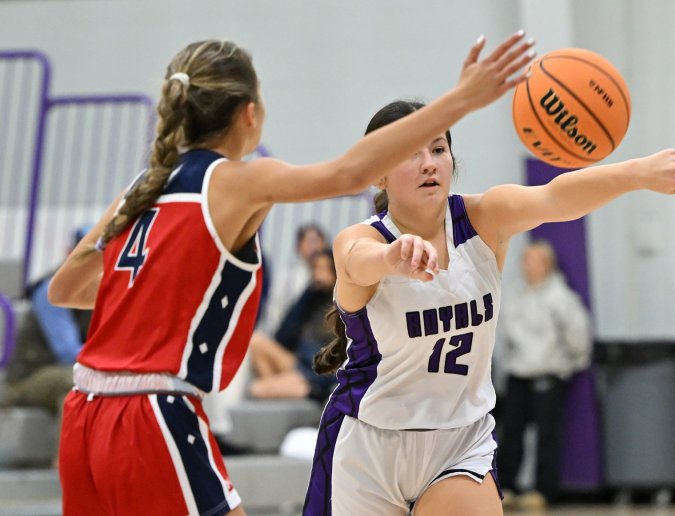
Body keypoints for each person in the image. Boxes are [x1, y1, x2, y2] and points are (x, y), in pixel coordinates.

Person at [47, 34, 536, 516]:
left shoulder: (141, 190)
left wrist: (157, 291)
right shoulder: (239, 179)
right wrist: (460, 101)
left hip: (83, 410)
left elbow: (65, 288)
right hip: (149, 412)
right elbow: (349, 175)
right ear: (249, 113)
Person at [304, 100, 675, 515]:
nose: (429, 163)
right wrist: (392, 259)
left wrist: (638, 173)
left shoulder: (483, 218)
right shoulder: (364, 239)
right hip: (369, 443)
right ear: (379, 173)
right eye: (411, 153)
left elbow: (555, 198)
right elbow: (356, 261)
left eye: (438, 149)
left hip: (459, 441)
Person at [496, 239, 591, 511]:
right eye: (524, 259)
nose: (525, 264)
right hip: (517, 374)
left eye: (532, 259)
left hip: (548, 375)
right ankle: (508, 486)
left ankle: (544, 491)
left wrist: (566, 365)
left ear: (545, 264)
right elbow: (505, 335)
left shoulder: (560, 297)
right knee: (511, 433)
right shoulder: (514, 294)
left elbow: (578, 336)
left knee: (548, 436)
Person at [1, 226, 94, 464]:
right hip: (28, 378)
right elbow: (67, 351)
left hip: (72, 367)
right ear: (69, 252)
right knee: (73, 382)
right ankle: (68, 464)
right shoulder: (52, 289)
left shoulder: (101, 288)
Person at [250, 248, 338, 402]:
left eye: (324, 268)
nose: (319, 274)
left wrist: (321, 385)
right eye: (316, 269)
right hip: (300, 364)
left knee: (258, 389)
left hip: (318, 377)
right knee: (256, 341)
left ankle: (285, 391)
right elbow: (282, 337)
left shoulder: (343, 304)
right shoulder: (313, 297)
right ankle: (282, 394)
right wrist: (308, 293)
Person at [263, 224, 327, 336]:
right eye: (310, 242)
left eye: (317, 241)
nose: (314, 247)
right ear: (299, 246)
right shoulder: (287, 276)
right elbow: (275, 311)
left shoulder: (334, 275)